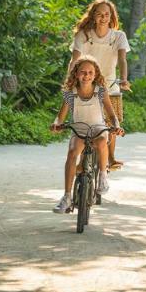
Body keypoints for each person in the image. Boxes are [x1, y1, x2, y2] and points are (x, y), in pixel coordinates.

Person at [50, 54, 124, 214]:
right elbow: (61, 116)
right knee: (72, 152)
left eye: (90, 72)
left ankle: (103, 176)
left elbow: (111, 115)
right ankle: (67, 196)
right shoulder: (70, 93)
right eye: (83, 72)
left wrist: (116, 126)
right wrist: (56, 124)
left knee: (101, 142)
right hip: (79, 129)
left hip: (98, 128)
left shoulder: (100, 91)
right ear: (76, 73)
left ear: (95, 74)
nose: (86, 76)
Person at [70, 0, 131, 169]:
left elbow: (122, 59)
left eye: (107, 14)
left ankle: (110, 158)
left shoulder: (119, 36)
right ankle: (82, 161)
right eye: (99, 14)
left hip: (110, 85)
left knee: (112, 123)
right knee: (84, 124)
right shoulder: (84, 35)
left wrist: (124, 78)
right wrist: (69, 81)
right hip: (86, 84)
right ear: (93, 16)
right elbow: (74, 59)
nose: (103, 18)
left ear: (111, 16)